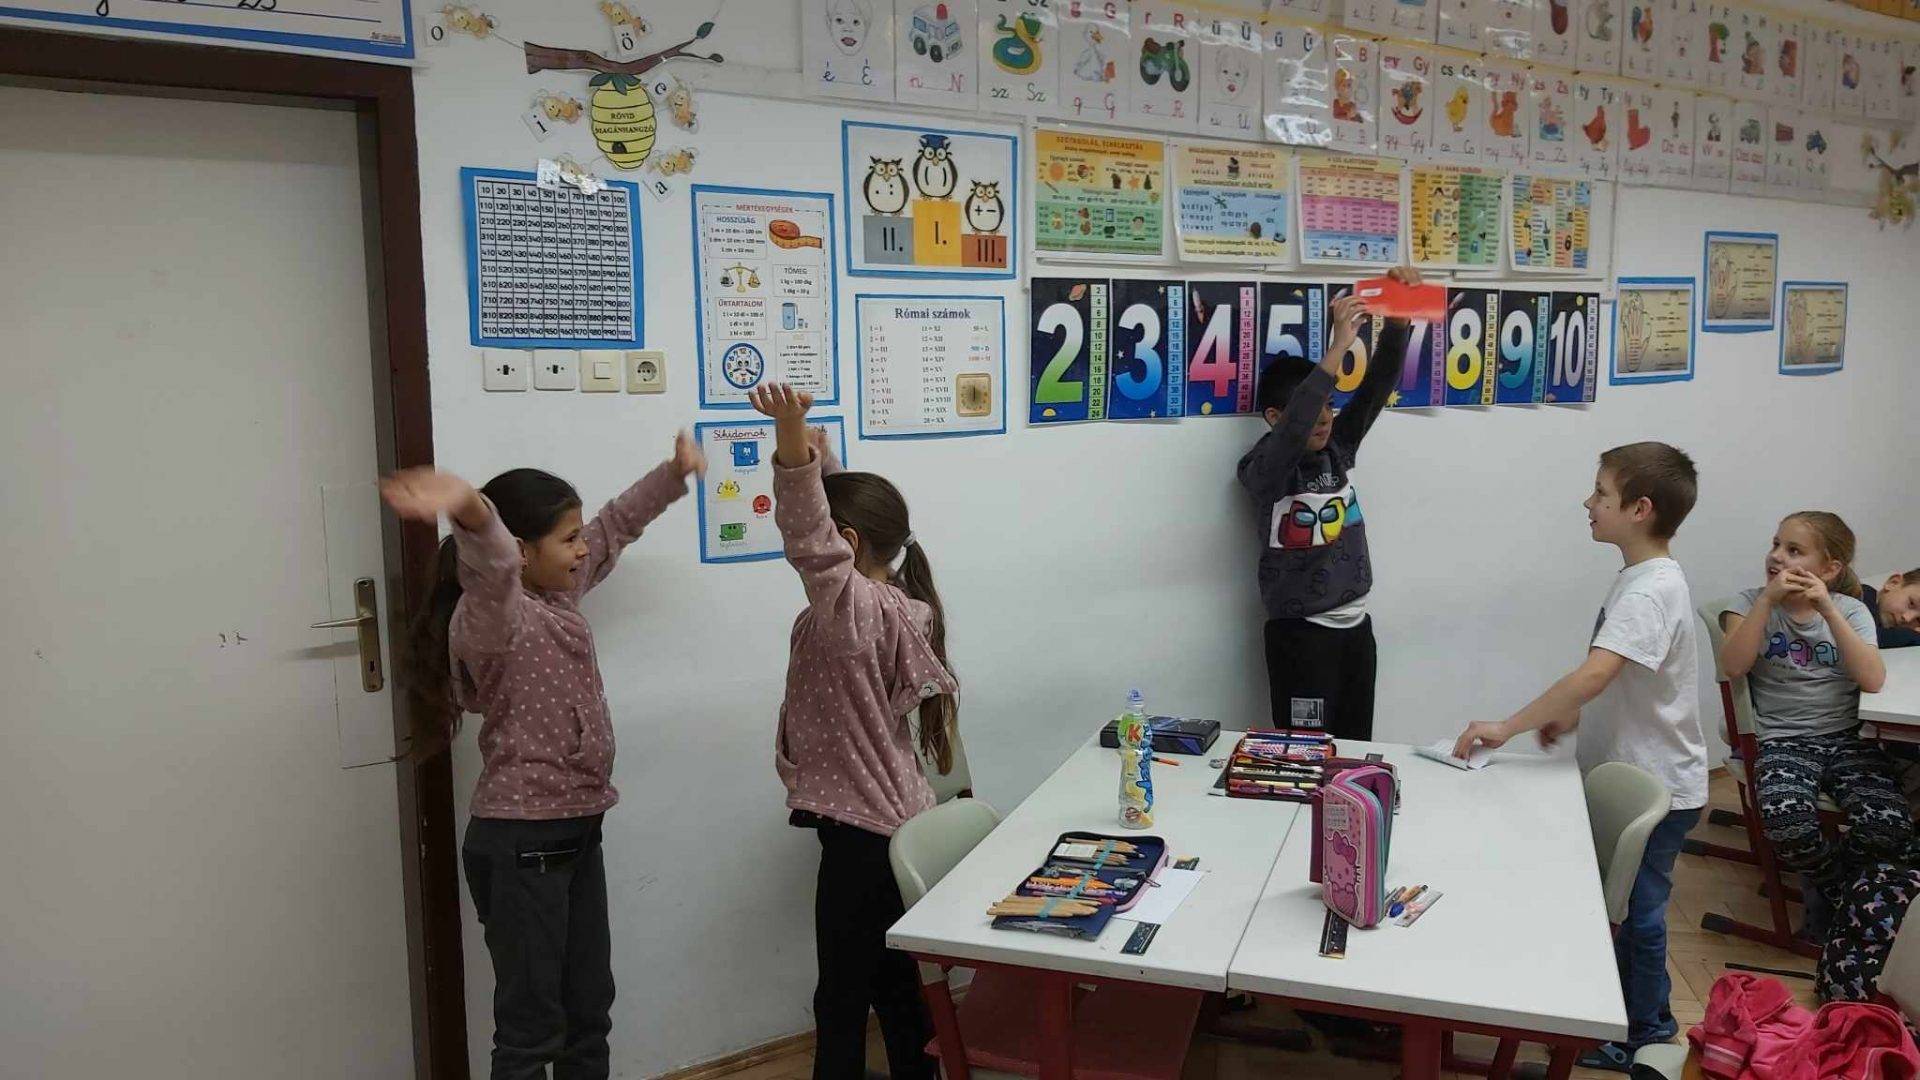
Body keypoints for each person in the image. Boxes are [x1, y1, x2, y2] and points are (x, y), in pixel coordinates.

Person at [380, 435, 702, 1080]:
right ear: (522, 552)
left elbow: (615, 526)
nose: (583, 550)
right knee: (532, 1028)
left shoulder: (558, 596)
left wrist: (672, 474)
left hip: (576, 829)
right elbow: (493, 561)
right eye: (568, 539)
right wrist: (469, 507)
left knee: (589, 1009)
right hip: (523, 840)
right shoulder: (492, 618)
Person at [1453, 443, 1708, 1072]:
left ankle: (1649, 1032)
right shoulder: (1643, 578)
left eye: (1601, 493)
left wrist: (1509, 726)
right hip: (1641, 772)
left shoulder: (1650, 591)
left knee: (1638, 914)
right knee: (1620, 908)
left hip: (1659, 788)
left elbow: (1595, 673)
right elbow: (1621, 674)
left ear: (1639, 509)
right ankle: (1620, 1016)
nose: (1588, 503)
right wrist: (1569, 713)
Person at [750, 383, 958, 1080]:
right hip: (895, 822)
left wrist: (791, 438)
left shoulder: (850, 611)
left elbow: (812, 535)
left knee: (840, 995)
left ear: (845, 545)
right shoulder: (896, 600)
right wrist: (825, 460)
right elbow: (841, 528)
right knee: (894, 984)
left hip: (863, 834)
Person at [1238, 269, 1420, 740]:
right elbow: (1293, 430)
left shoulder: (1338, 448)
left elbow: (1375, 389)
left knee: (1355, 749)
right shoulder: (1264, 469)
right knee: (1307, 754)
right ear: (1275, 417)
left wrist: (1397, 322)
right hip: (1301, 638)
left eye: (1329, 405)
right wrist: (1338, 346)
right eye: (1312, 408)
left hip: (1356, 630)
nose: (1323, 417)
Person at [1718, 512, 1903, 948]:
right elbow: (1732, 666)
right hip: (1782, 740)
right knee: (1786, 824)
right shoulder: (1746, 604)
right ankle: (1844, 895)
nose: (1777, 556)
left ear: (1830, 568)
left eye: (1794, 550)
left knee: (1890, 827)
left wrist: (1828, 610)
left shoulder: (1851, 610)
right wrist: (1766, 602)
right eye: (1776, 544)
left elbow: (1872, 679)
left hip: (1846, 738)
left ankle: (1837, 893)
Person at [1861, 568, 1920, 648]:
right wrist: (1913, 636)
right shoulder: (1859, 595)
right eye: (1911, 603)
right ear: (1893, 583)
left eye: (1918, 620)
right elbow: (1865, 637)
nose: (1907, 618)